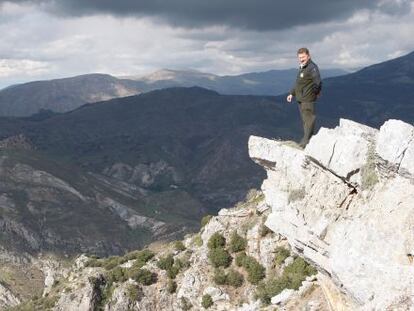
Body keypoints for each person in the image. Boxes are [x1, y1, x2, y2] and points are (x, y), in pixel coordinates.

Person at [286, 47, 322, 148]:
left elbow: (318, 82)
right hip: (301, 99)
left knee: (309, 121)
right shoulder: (303, 67)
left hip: (307, 99)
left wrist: (315, 93)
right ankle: (306, 141)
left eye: (303, 57)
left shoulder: (312, 67)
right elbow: (299, 83)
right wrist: (291, 94)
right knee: (305, 121)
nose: (301, 59)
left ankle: (305, 143)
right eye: (300, 57)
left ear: (308, 56)